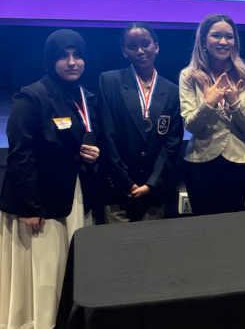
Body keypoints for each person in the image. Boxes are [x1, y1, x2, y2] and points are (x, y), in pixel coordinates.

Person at [0, 29, 99, 329]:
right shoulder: (32, 96)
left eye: (77, 55)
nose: (72, 62)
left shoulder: (87, 97)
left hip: (75, 197)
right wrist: (29, 207)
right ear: (49, 59)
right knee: (44, 272)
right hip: (40, 204)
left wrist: (95, 154)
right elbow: (20, 155)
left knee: (69, 269)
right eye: (63, 56)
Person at [97, 22, 183, 222]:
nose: (140, 51)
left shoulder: (171, 90)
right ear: (124, 51)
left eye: (145, 44)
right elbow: (107, 138)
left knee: (149, 251)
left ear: (157, 47)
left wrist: (152, 183)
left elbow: (172, 143)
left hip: (153, 191)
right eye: (132, 46)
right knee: (117, 250)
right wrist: (125, 182)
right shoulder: (109, 82)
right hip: (117, 189)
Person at [179, 14, 245, 215]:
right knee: (204, 228)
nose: (223, 42)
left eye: (229, 37)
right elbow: (190, 125)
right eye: (216, 35)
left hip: (237, 162)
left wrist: (234, 103)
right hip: (200, 163)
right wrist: (208, 104)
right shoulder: (188, 76)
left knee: (231, 228)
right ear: (204, 40)